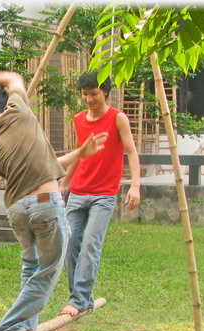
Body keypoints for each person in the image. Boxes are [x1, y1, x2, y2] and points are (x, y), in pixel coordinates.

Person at [0, 70, 107, 331]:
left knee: (31, 264)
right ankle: (11, 322)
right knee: (50, 267)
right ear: (8, 106)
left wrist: (82, 154)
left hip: (17, 211)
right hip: (45, 207)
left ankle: (27, 324)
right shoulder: (18, 112)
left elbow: (45, 166)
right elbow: (13, 77)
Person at [59, 70, 141, 317]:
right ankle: (81, 298)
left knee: (91, 245)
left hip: (104, 195)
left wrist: (135, 185)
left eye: (94, 93)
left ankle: (78, 299)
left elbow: (132, 152)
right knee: (69, 243)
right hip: (78, 191)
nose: (89, 98)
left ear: (105, 91)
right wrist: (65, 183)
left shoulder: (118, 118)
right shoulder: (78, 119)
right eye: (85, 94)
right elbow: (80, 152)